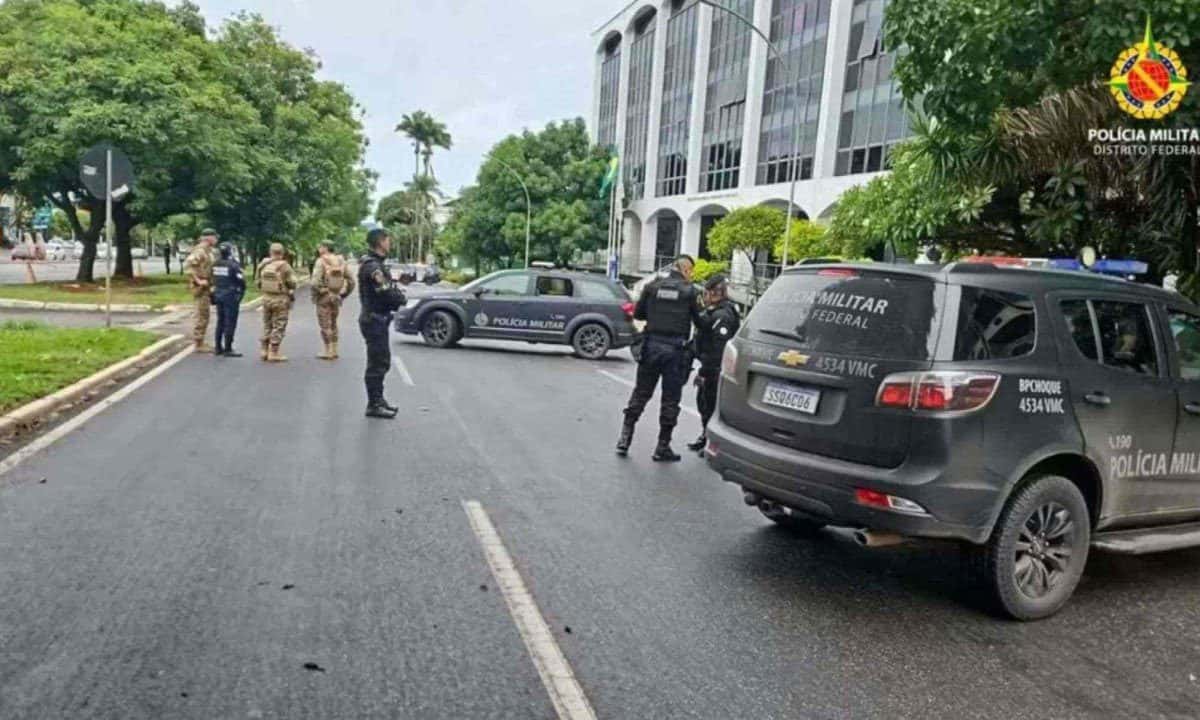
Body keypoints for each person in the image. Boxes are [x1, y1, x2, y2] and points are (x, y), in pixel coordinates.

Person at [616, 254, 703, 462]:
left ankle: (624, 439)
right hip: (675, 351)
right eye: (691, 271)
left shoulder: (652, 287)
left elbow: (638, 315)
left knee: (641, 393)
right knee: (670, 400)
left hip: (651, 347)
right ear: (685, 269)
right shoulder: (691, 292)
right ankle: (662, 447)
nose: (691, 275)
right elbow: (700, 321)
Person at [687, 274, 741, 453]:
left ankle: (713, 443)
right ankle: (705, 436)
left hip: (716, 370)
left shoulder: (723, 315)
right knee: (703, 403)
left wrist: (704, 372)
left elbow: (718, 350)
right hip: (710, 367)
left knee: (711, 407)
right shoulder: (713, 312)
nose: (705, 296)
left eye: (707, 292)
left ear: (715, 293)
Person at [358, 229, 407, 419]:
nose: (390, 243)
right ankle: (374, 403)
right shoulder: (373, 267)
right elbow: (385, 292)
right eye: (388, 240)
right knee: (378, 363)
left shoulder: (376, 264)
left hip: (377, 319)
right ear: (380, 242)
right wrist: (400, 299)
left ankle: (379, 399)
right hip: (374, 319)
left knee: (381, 361)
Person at [312, 241, 356, 360]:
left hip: (323, 297)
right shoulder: (341, 261)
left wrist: (321, 290)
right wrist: (344, 293)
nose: (319, 248)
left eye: (320, 246)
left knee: (325, 324)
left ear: (325, 248)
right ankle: (335, 349)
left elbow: (315, 282)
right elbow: (352, 281)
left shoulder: (321, 261)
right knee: (333, 322)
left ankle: (328, 350)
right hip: (336, 297)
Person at [255, 242, 297, 363]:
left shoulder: (262, 265)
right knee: (279, 325)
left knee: (267, 324)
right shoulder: (284, 266)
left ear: (270, 252)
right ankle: (273, 352)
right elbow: (292, 283)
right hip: (280, 299)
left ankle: (263, 350)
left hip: (266, 298)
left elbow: (257, 282)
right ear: (282, 253)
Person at [184, 229, 218, 353]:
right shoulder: (200, 251)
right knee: (201, 314)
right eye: (215, 237)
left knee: (205, 314)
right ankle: (198, 342)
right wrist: (198, 280)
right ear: (208, 238)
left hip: (207, 286)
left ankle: (201, 340)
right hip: (200, 287)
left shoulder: (208, 251)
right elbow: (188, 266)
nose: (216, 240)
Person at [211, 243, 246, 357]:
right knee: (230, 322)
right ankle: (228, 348)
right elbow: (240, 280)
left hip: (218, 294)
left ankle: (217, 347)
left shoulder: (215, 264)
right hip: (230, 296)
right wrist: (241, 292)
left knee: (220, 321)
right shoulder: (233, 265)